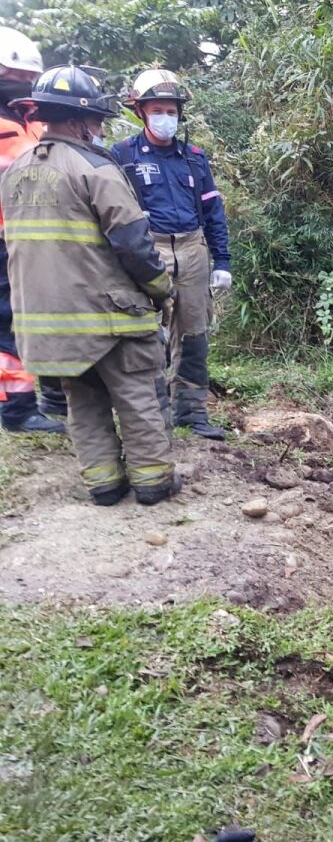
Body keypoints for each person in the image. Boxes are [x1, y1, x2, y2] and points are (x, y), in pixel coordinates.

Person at [1, 65, 178, 506]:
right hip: (107, 316)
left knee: (83, 404)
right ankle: (153, 482)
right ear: (81, 121)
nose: (99, 130)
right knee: (137, 397)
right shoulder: (94, 167)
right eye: (97, 121)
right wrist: (160, 288)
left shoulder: (16, 171)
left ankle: (104, 484)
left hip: (47, 323)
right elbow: (133, 242)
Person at [111, 69, 229, 440]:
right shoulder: (123, 156)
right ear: (142, 111)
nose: (167, 117)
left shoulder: (194, 158)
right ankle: (151, 414)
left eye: (172, 110)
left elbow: (213, 211)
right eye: (158, 109)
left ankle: (191, 412)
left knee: (194, 334)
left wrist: (222, 262)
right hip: (148, 249)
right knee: (148, 335)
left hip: (193, 249)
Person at [0, 27, 67, 433]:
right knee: (9, 321)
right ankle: (17, 409)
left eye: (29, 79)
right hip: (4, 239)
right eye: (15, 77)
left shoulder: (31, 123)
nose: (23, 86)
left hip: (37, 237)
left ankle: (49, 396)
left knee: (42, 314)